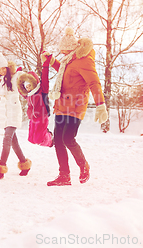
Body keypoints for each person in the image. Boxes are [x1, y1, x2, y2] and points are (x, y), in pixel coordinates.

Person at [42, 27, 108, 186]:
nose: (62, 54)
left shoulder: (84, 60)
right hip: (62, 104)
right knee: (58, 140)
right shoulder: (67, 61)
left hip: (76, 106)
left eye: (64, 51)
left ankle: (83, 165)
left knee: (68, 138)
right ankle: (64, 175)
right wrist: (52, 62)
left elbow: (93, 82)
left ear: (71, 49)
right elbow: (65, 73)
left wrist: (100, 104)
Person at [0, 52, 32, 180]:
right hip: (5, 117)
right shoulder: (0, 83)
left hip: (14, 114)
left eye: (3, 68)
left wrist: (29, 84)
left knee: (6, 140)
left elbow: (29, 77)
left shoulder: (16, 76)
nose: (1, 71)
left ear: (7, 67)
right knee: (14, 143)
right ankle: (25, 164)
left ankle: (1, 169)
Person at [16, 53, 53, 147]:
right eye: (26, 87)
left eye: (29, 85)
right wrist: (17, 76)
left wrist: (45, 64)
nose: (28, 88)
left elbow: (45, 77)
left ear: (34, 83)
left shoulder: (42, 90)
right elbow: (20, 91)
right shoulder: (28, 95)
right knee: (31, 140)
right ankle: (47, 137)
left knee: (38, 139)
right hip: (32, 118)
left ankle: (50, 138)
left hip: (42, 117)